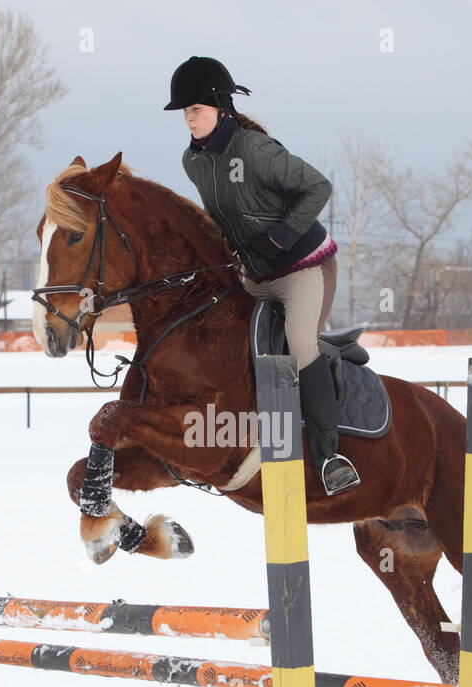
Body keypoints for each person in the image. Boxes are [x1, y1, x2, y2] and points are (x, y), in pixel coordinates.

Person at [164, 55, 361, 496]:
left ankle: (330, 456)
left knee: (299, 343)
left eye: (195, 109)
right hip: (255, 274)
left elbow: (319, 187)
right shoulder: (192, 161)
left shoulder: (255, 150)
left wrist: (280, 238)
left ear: (220, 106)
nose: (188, 118)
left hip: (304, 268)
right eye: (185, 111)